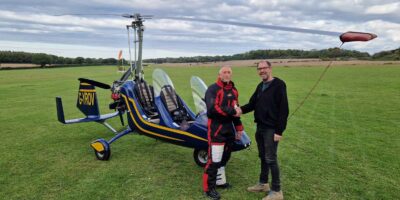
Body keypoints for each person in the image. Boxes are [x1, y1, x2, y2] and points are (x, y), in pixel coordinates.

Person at [237, 60, 289, 200]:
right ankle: (263, 183)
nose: (262, 71)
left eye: (264, 68)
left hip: (271, 129)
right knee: (263, 157)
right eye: (259, 69)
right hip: (260, 127)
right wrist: (240, 110)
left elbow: (284, 109)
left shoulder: (279, 85)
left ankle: (277, 191)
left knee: (271, 158)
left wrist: (279, 131)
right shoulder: (261, 86)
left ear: (270, 68)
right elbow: (252, 104)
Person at [203, 66, 244, 200]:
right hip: (216, 129)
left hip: (229, 130)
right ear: (219, 75)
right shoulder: (213, 89)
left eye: (229, 72)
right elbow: (212, 110)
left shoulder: (234, 90)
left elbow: (236, 110)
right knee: (214, 159)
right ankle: (209, 189)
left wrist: (238, 127)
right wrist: (232, 111)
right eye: (224, 72)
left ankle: (220, 182)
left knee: (225, 157)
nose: (227, 74)